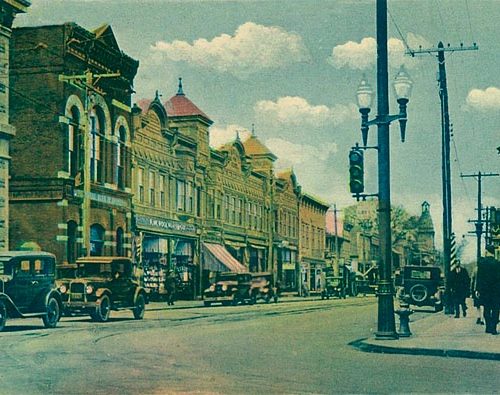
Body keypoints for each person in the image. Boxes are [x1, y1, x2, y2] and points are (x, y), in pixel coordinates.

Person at [476, 256, 500, 335]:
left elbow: (479, 278)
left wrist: (478, 289)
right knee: (496, 309)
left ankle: (488, 326)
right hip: (496, 291)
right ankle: (493, 327)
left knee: (487, 309)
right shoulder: (497, 263)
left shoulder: (482, 264)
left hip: (485, 291)